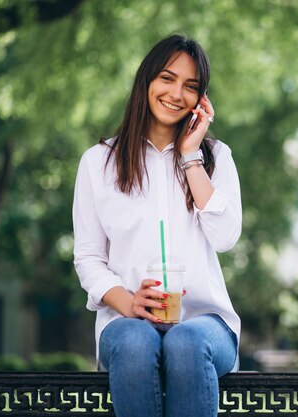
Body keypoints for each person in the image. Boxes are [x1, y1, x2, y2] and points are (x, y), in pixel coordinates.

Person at [72, 34, 242, 417]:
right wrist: (128, 303)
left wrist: (189, 156)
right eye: (167, 78)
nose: (176, 93)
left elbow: (226, 236)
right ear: (146, 81)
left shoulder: (216, 157)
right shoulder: (98, 162)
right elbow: (88, 258)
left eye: (191, 86)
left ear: (201, 100)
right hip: (125, 323)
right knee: (134, 340)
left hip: (205, 324)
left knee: (184, 342)